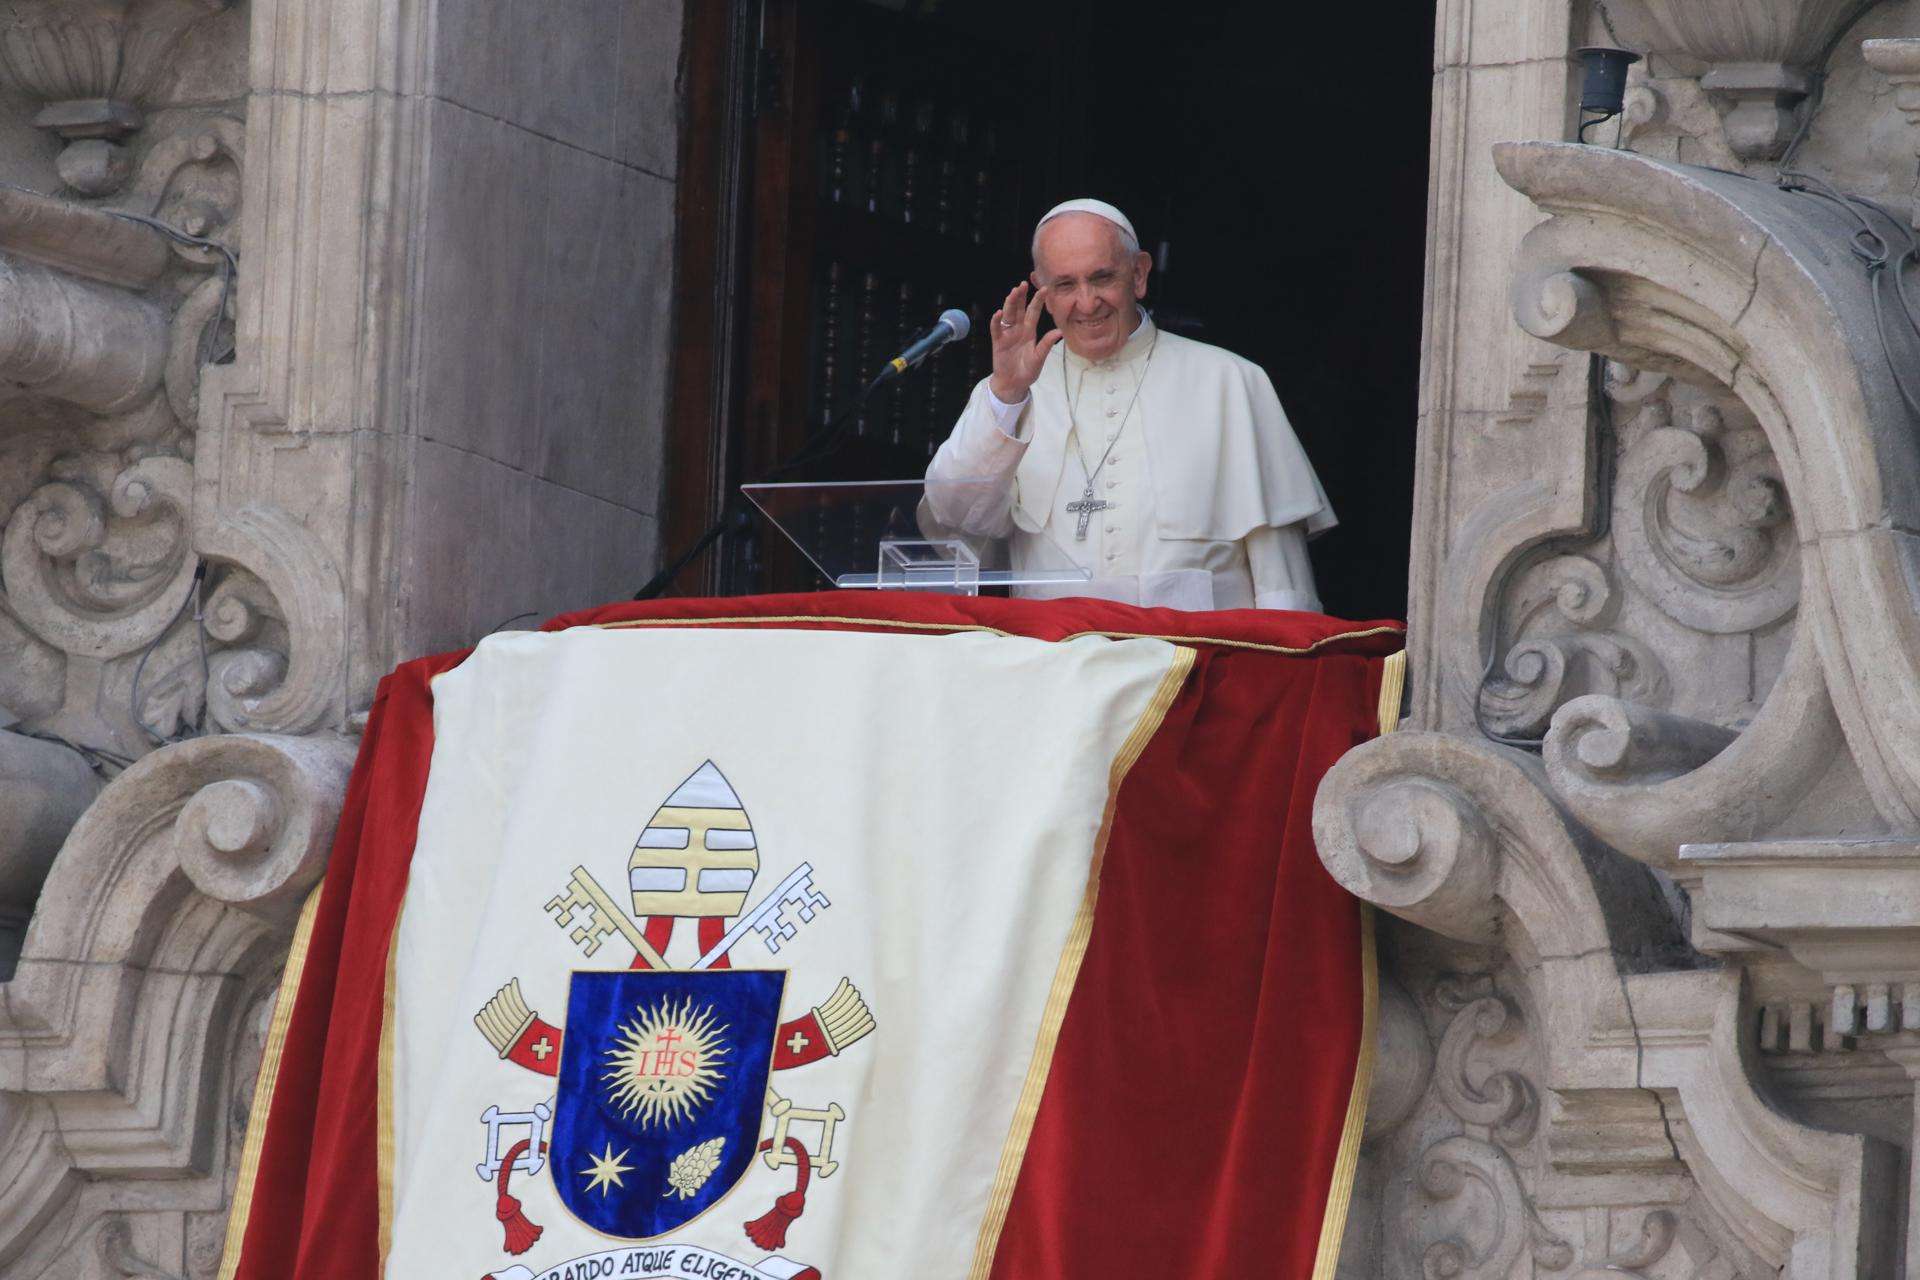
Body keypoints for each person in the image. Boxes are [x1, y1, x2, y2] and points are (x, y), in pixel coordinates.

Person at [921, 198, 1333, 612]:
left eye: (1102, 278)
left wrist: (1284, 647)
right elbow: (953, 519)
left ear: (1138, 274)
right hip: (1051, 649)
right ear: (1041, 289)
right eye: (1064, 285)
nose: (1086, 303)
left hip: (1195, 649)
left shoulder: (1230, 380)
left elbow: (1282, 578)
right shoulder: (1010, 393)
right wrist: (1007, 393)